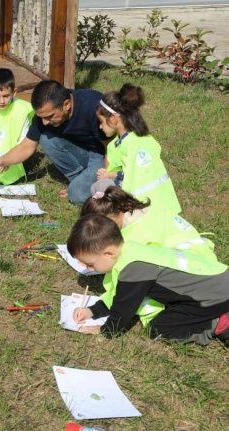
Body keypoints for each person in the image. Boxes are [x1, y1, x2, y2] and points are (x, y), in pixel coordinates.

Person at [67, 213, 229, 345]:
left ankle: (220, 323)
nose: (89, 269)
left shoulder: (133, 270)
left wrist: (107, 331)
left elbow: (123, 308)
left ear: (109, 253)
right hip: (219, 279)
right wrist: (92, 311)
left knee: (158, 329)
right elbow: (120, 295)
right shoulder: (132, 250)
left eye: (90, 264)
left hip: (214, 296)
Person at [0, 80, 109, 205]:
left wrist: (106, 178)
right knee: (46, 139)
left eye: (50, 116)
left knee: (77, 195)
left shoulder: (93, 106)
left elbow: (113, 148)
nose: (45, 122)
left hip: (102, 153)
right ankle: (77, 179)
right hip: (81, 148)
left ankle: (89, 185)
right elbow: (27, 146)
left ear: (66, 105)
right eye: (41, 117)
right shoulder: (43, 115)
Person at [93, 83, 182, 215]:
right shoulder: (121, 142)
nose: (100, 127)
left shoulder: (135, 144)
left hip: (150, 204)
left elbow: (134, 175)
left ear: (113, 118)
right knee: (98, 187)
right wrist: (105, 174)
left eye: (101, 121)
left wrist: (109, 176)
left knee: (100, 189)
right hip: (149, 199)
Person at [82, 186, 215, 261]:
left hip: (192, 263)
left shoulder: (133, 235)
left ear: (110, 219)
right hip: (202, 250)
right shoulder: (142, 210)